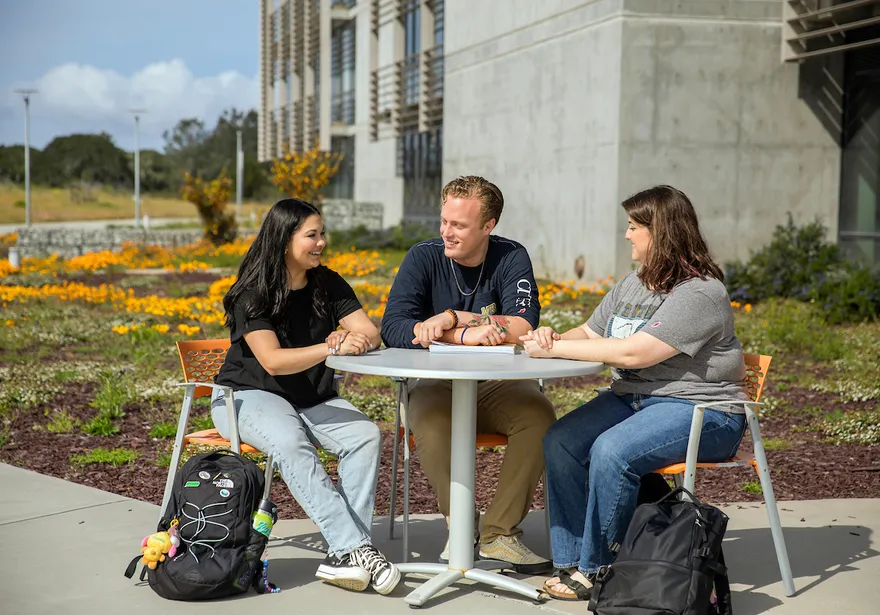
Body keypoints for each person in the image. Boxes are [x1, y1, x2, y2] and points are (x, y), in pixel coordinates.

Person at [521, 185, 748, 601]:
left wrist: (555, 349)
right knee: (561, 441)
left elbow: (635, 352)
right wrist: (552, 335)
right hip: (635, 399)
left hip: (702, 409)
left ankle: (599, 569)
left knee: (612, 451)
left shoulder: (700, 292)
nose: (626, 235)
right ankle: (571, 560)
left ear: (661, 232)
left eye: (633, 227)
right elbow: (590, 332)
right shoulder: (633, 284)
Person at [212, 198, 400, 595]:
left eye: (322, 233)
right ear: (284, 241)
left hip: (308, 399)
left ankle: (343, 557)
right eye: (311, 235)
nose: (322, 242)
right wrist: (330, 349)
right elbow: (273, 361)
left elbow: (371, 333)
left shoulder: (327, 283)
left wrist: (350, 336)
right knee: (290, 443)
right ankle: (355, 549)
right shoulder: (253, 293)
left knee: (365, 435)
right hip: (247, 396)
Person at [381, 175, 554, 574]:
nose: (446, 232)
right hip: (435, 383)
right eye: (444, 221)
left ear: (488, 227)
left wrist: (453, 318)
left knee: (539, 418)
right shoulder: (423, 257)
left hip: (498, 384)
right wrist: (465, 335)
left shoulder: (512, 256)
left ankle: (498, 534)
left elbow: (524, 324)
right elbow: (394, 326)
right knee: (431, 420)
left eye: (458, 225)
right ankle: (460, 527)